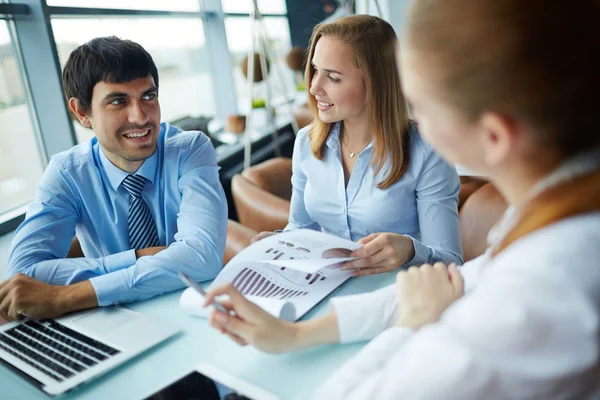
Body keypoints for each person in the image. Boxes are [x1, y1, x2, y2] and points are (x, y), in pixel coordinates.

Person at [205, 1, 600, 398]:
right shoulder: (540, 221)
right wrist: (295, 334)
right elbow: (453, 283)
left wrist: (413, 321)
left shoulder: (546, 286)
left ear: (494, 136)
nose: (415, 118)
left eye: (422, 104)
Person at [0, 37, 227, 322]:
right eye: (118, 101)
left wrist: (64, 296)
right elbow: (26, 273)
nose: (141, 116)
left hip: (195, 311)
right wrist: (139, 256)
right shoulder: (68, 173)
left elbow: (202, 258)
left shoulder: (189, 150)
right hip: (114, 320)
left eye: (148, 96)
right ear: (82, 113)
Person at [253, 15, 463, 277]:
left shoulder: (429, 151)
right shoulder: (306, 142)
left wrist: (410, 250)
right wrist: (277, 242)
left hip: (398, 296)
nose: (314, 87)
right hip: (324, 287)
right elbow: (300, 228)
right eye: (315, 70)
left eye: (332, 77)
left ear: (375, 82)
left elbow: (451, 264)